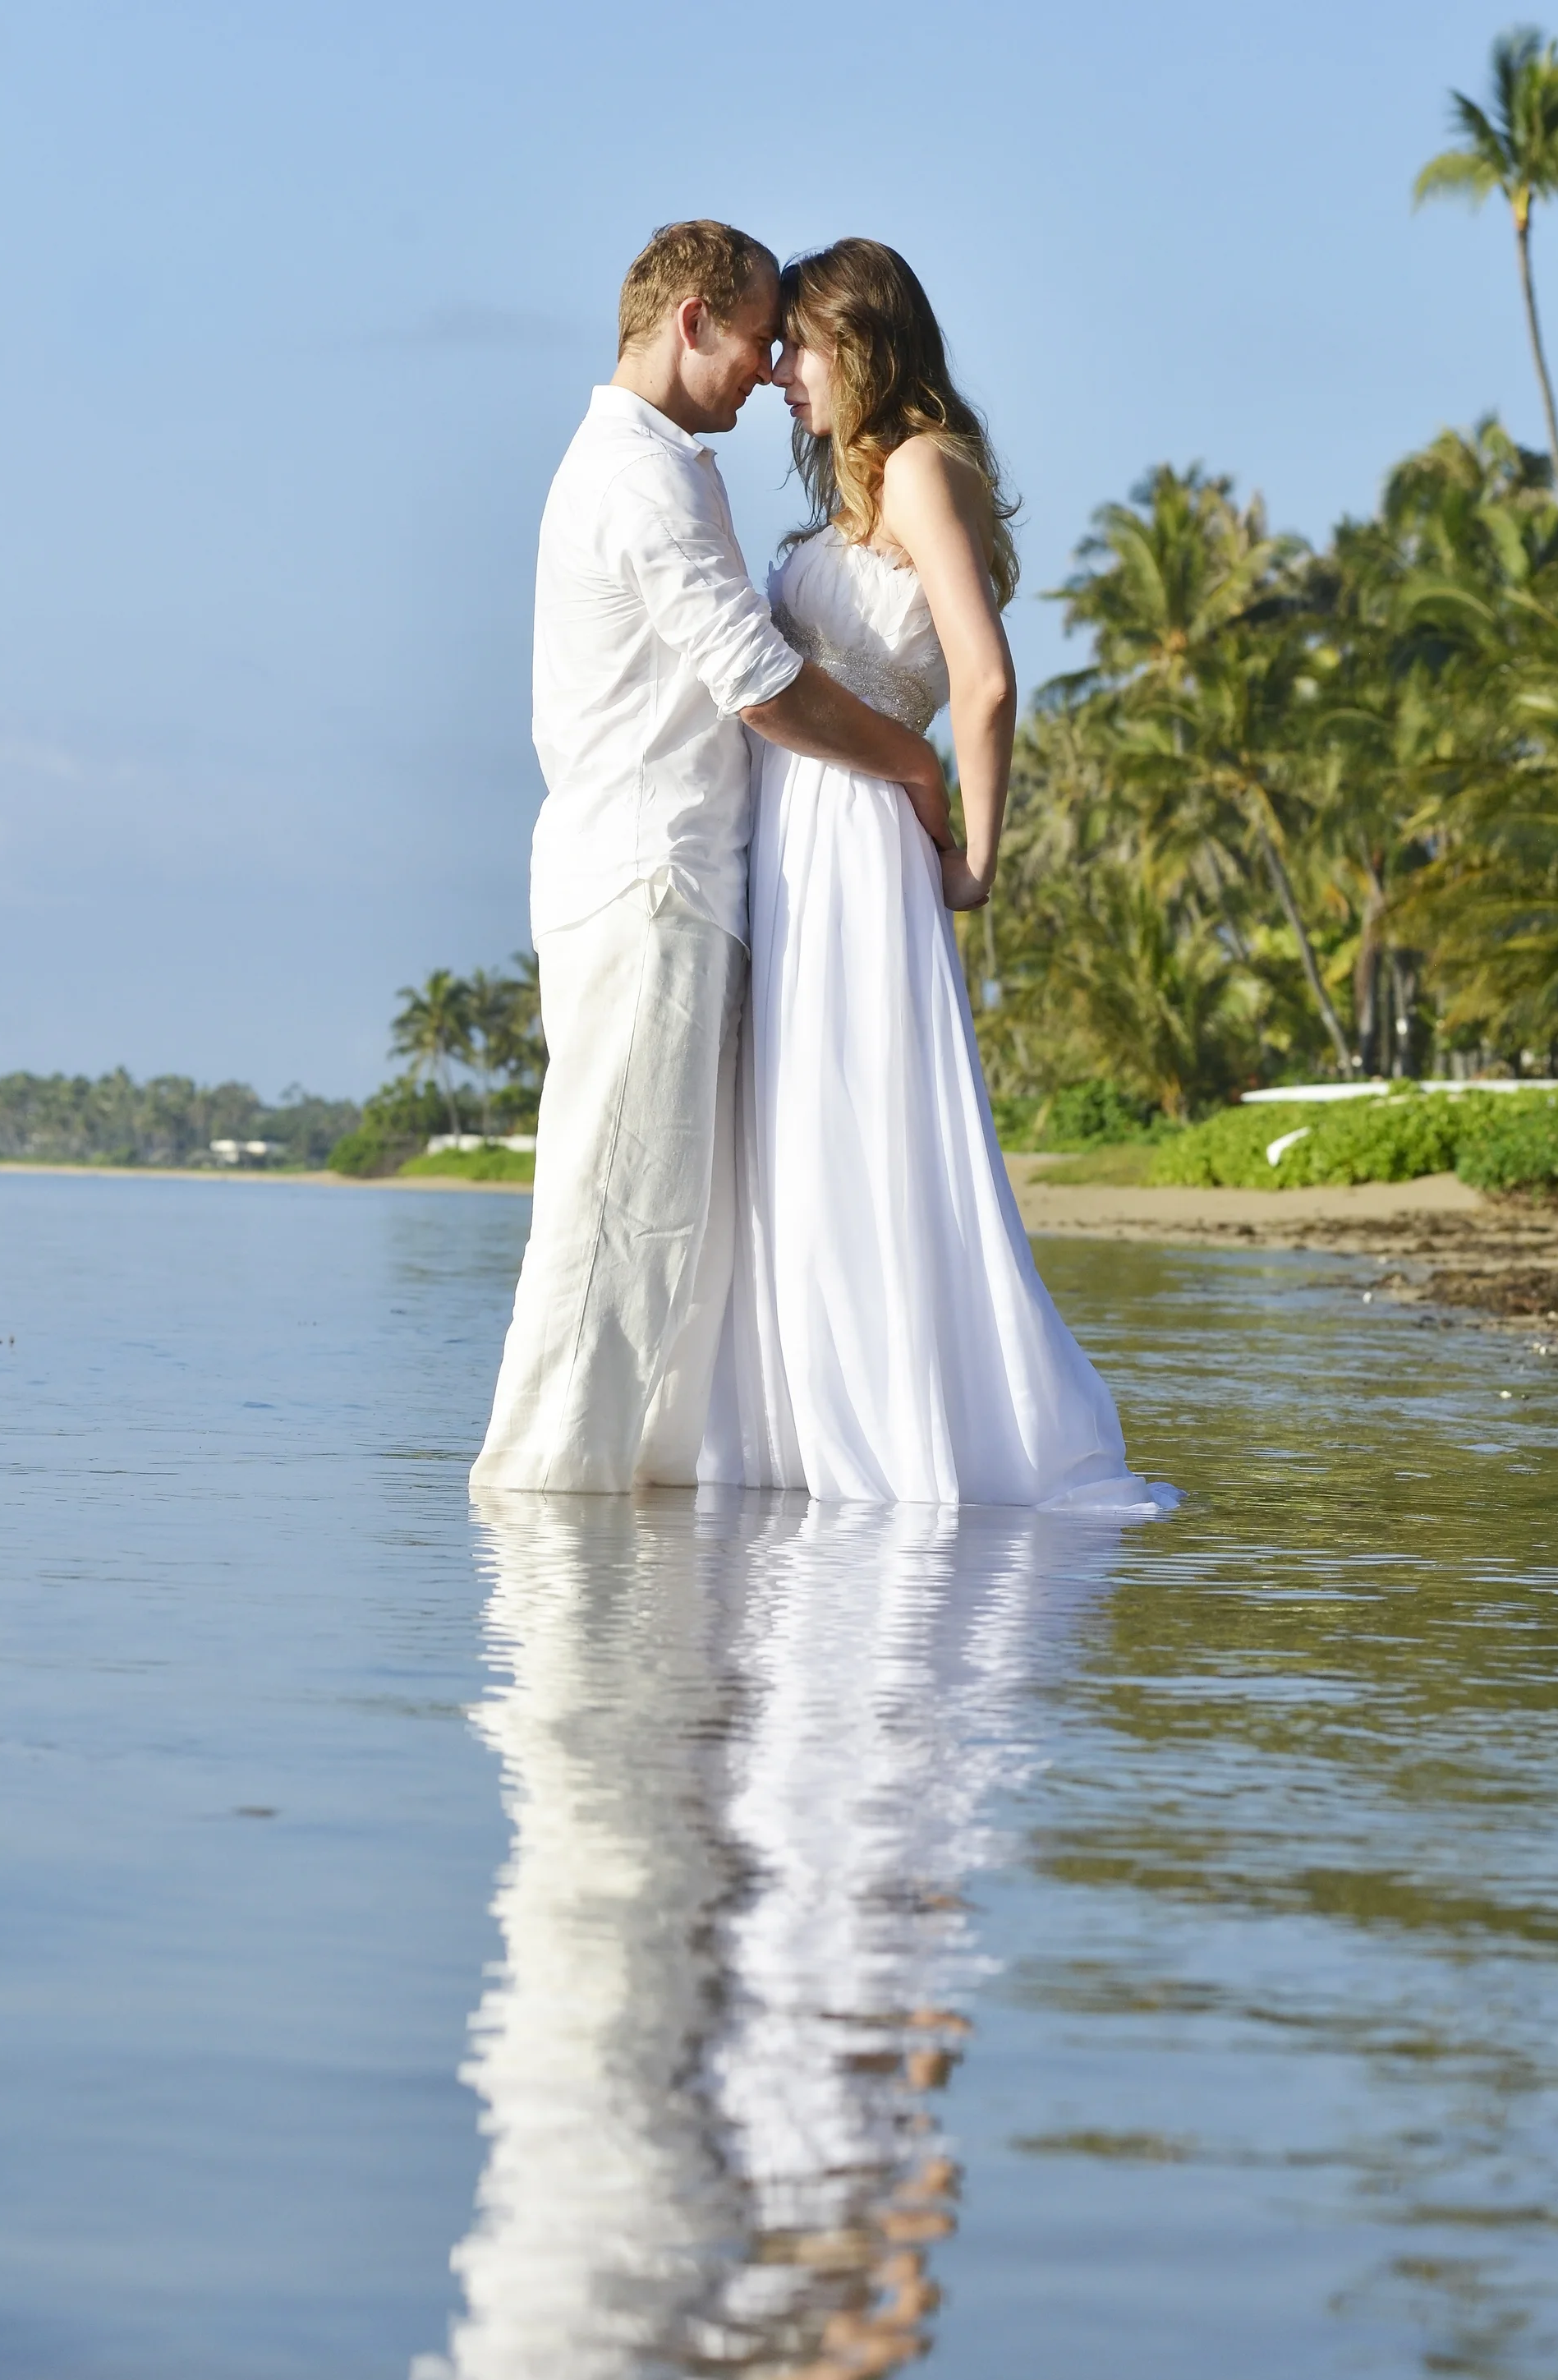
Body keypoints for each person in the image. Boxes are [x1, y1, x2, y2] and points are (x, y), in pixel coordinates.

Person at [471, 221, 952, 1497]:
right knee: (615, 1233)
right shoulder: (645, 477)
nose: (766, 368)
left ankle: (617, 1563)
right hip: (653, 880)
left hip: (658, 879)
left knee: (656, 1236)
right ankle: (547, 1528)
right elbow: (758, 682)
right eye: (755, 338)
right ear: (691, 321)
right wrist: (912, 763)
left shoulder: (650, 464)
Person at [701, 240, 1175, 1516]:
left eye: (798, 345)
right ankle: (810, 1429)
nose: (780, 371)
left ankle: (907, 1432)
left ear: (860, 345)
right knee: (805, 1128)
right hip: (801, 836)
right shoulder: (865, 486)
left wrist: (978, 855)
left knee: (863, 1121)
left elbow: (987, 676)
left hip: (862, 845)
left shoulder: (919, 468)